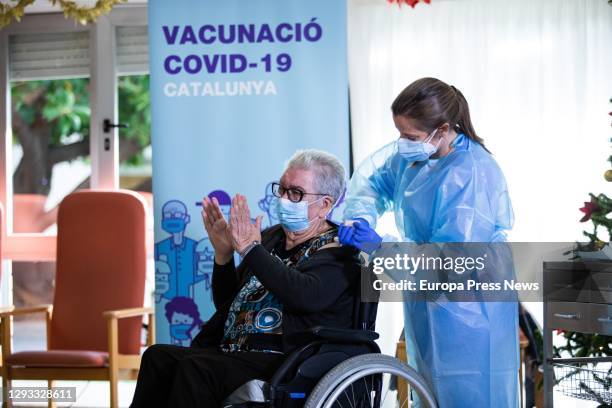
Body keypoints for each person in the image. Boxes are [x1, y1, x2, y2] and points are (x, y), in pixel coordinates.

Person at [130, 150, 360, 408]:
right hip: (236, 350)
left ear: (326, 204)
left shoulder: (341, 249)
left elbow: (304, 296)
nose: (284, 199)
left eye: (295, 193)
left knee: (196, 369)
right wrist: (223, 256)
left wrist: (252, 251)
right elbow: (228, 303)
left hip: (287, 358)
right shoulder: (272, 237)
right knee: (157, 357)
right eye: (282, 189)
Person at [339, 77, 518, 407]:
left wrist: (381, 247)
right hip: (425, 299)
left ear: (443, 129)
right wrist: (362, 216)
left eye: (410, 136)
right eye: (400, 134)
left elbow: (452, 263)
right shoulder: (416, 155)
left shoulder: (471, 173)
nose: (402, 143)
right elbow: (371, 183)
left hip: (470, 308)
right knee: (429, 390)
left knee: (470, 391)